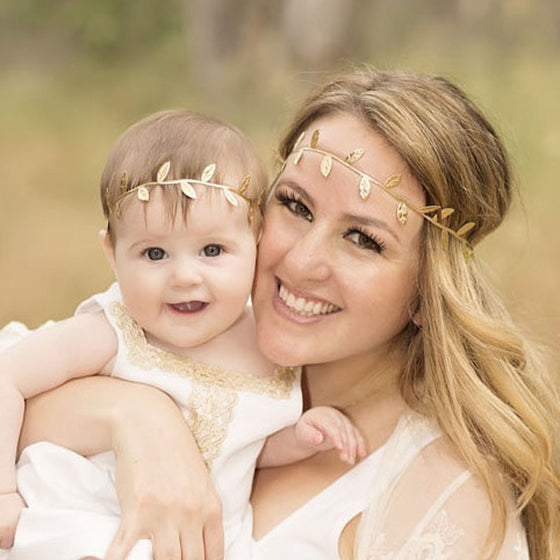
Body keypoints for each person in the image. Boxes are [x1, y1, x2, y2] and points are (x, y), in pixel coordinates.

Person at [11, 68, 560, 560]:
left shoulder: (440, 504)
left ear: (424, 291)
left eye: (363, 240)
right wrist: (139, 418)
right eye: (295, 206)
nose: (299, 262)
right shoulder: (193, 323)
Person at [0, 110, 365, 559]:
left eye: (212, 250)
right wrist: (3, 495)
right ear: (112, 255)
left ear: (256, 240)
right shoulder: (115, 329)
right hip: (86, 522)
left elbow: (241, 447)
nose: (185, 276)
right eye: (154, 253)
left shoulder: (270, 344)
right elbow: (7, 377)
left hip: (200, 539)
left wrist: (299, 438)